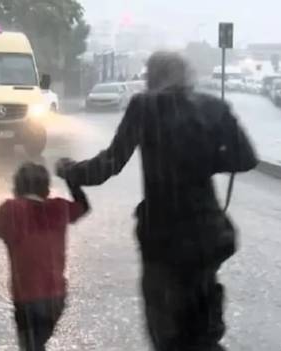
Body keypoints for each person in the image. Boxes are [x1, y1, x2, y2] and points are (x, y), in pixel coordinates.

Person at [55, 51, 258, 351]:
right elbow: (245, 159)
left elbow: (110, 163)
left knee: (168, 333)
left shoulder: (145, 107)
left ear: (154, 76)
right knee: (202, 330)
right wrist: (202, 160)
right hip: (208, 235)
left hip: (165, 238)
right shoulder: (214, 107)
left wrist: (70, 171)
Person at [0, 162, 90, 351]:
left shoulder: (10, 210)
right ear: (46, 189)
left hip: (26, 298)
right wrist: (71, 180)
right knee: (37, 343)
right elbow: (83, 207)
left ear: (16, 188)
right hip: (56, 298)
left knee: (30, 345)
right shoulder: (60, 208)